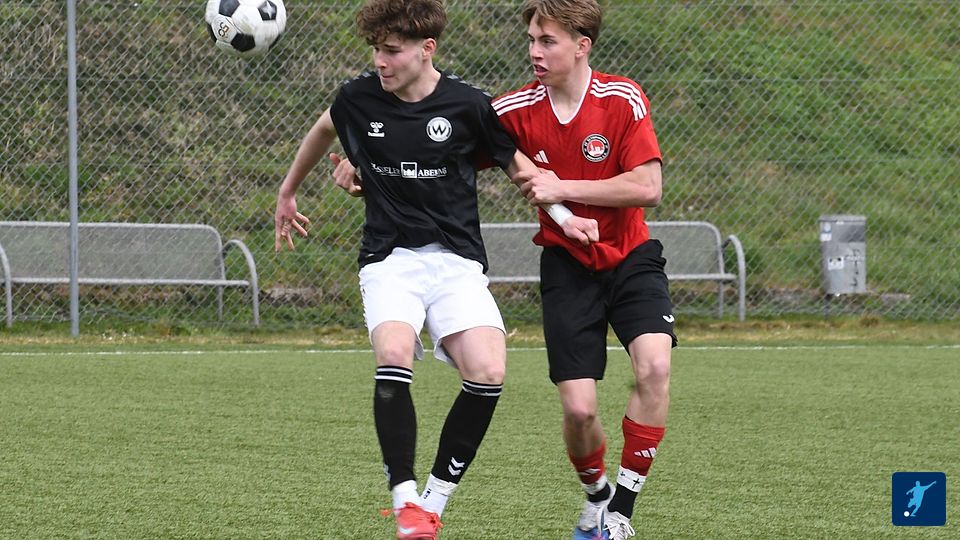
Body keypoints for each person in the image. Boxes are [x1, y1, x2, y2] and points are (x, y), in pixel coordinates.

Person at [273, 1, 596, 538]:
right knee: (394, 352)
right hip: (389, 259)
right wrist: (288, 192)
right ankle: (404, 501)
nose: (380, 61)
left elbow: (520, 169)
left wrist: (565, 218)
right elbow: (325, 127)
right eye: (376, 50)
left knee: (488, 371)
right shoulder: (357, 98)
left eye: (391, 51)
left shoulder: (468, 105)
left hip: (456, 262)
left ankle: (432, 502)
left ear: (427, 50)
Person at [491, 1, 676, 539]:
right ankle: (596, 496)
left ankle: (621, 514)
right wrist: (362, 171)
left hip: (632, 257)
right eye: (532, 39)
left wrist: (561, 186)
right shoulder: (514, 110)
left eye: (547, 41)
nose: (534, 51)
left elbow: (648, 187)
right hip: (567, 267)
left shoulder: (621, 98)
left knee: (654, 368)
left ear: (581, 45)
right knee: (578, 410)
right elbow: (444, 136)